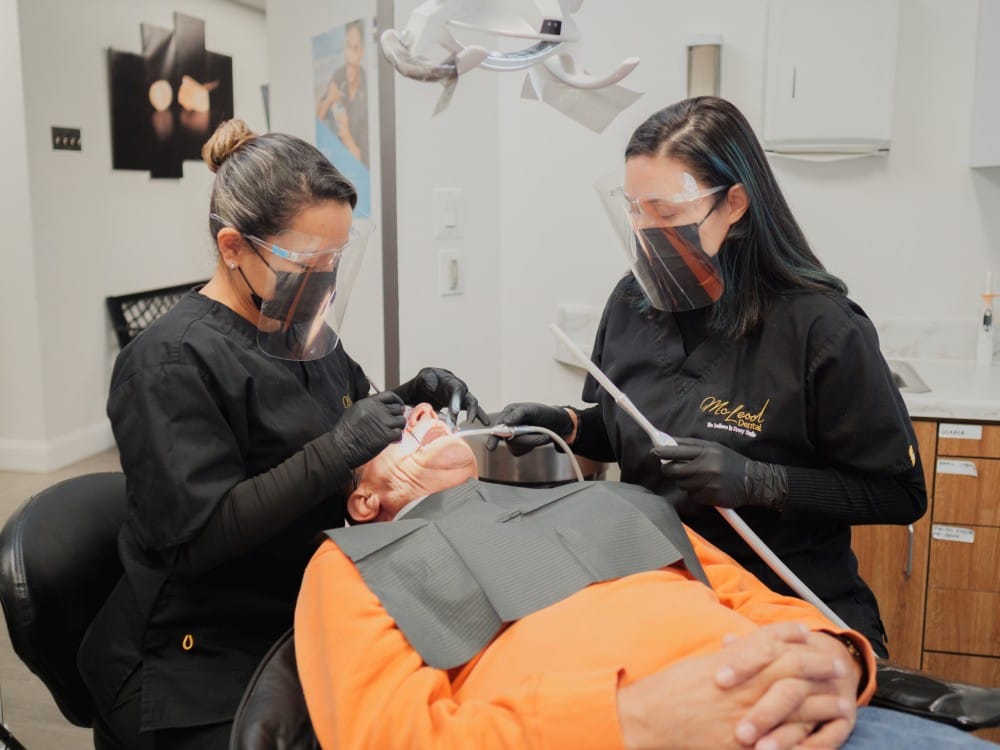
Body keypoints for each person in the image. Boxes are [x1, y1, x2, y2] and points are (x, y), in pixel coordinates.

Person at [78, 119, 487, 749]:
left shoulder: (300, 331)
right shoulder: (169, 364)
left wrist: (412, 396)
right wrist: (338, 453)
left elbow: (345, 411)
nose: (323, 279)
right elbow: (197, 542)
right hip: (194, 653)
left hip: (296, 606)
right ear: (234, 246)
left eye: (336, 259)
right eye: (307, 262)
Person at [487, 96, 926, 657]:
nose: (646, 231)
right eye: (635, 210)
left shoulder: (821, 328)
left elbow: (899, 494)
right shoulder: (631, 300)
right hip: (662, 598)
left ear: (734, 203)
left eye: (666, 213)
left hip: (788, 606)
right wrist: (568, 425)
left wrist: (763, 483)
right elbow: (631, 425)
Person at [294, 404, 991, 750]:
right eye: (389, 434)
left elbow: (760, 603)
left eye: (419, 408)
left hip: (808, 726)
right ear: (364, 501)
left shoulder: (603, 499)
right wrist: (634, 720)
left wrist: (840, 660)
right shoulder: (353, 564)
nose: (420, 413)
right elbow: (392, 737)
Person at [316, 19, 369, 166]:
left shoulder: (367, 92)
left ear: (362, 52)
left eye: (355, 48)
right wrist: (327, 102)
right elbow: (318, 122)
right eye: (347, 45)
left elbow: (361, 159)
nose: (349, 55)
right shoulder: (338, 76)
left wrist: (345, 133)